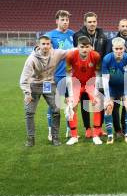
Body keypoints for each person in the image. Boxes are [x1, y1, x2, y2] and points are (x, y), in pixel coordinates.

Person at [20, 35, 69, 146]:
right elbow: (24, 78)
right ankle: (30, 138)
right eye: (43, 44)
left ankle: (55, 138)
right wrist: (27, 93)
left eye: (48, 44)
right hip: (34, 85)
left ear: (50, 44)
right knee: (29, 112)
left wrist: (83, 49)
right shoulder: (32, 59)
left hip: (49, 84)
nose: (46, 46)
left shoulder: (56, 53)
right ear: (38, 45)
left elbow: (69, 52)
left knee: (56, 110)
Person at [73, 12, 108, 137]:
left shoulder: (102, 35)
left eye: (94, 21)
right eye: (89, 22)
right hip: (84, 73)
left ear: (96, 22)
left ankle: (98, 128)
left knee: (100, 100)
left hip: (99, 73)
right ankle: (88, 128)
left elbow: (106, 52)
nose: (92, 24)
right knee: (85, 101)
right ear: (85, 23)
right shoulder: (77, 36)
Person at [65, 36, 102, 145]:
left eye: (87, 47)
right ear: (77, 47)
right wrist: (70, 94)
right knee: (72, 106)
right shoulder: (70, 56)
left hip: (91, 83)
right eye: (82, 47)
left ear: (91, 47)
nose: (84, 49)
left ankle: (95, 135)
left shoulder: (96, 56)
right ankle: (74, 136)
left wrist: (96, 93)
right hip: (76, 84)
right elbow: (68, 74)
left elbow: (98, 74)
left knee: (97, 105)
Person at [45, 10, 74, 142]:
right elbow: (41, 50)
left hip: (69, 75)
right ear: (57, 21)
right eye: (62, 19)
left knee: (70, 103)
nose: (65, 22)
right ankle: (51, 131)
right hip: (54, 76)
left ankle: (70, 129)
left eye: (67, 19)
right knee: (53, 105)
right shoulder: (50, 36)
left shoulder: (73, 34)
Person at [101, 37, 127, 144]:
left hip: (125, 87)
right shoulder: (107, 59)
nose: (119, 51)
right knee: (108, 107)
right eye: (116, 49)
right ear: (112, 48)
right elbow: (105, 80)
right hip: (112, 88)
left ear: (124, 48)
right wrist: (107, 97)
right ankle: (110, 135)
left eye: (121, 48)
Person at [108, 19, 127, 138]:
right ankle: (117, 130)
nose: (125, 28)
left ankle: (126, 129)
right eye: (122, 26)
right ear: (118, 27)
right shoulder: (111, 42)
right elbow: (107, 58)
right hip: (114, 79)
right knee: (115, 105)